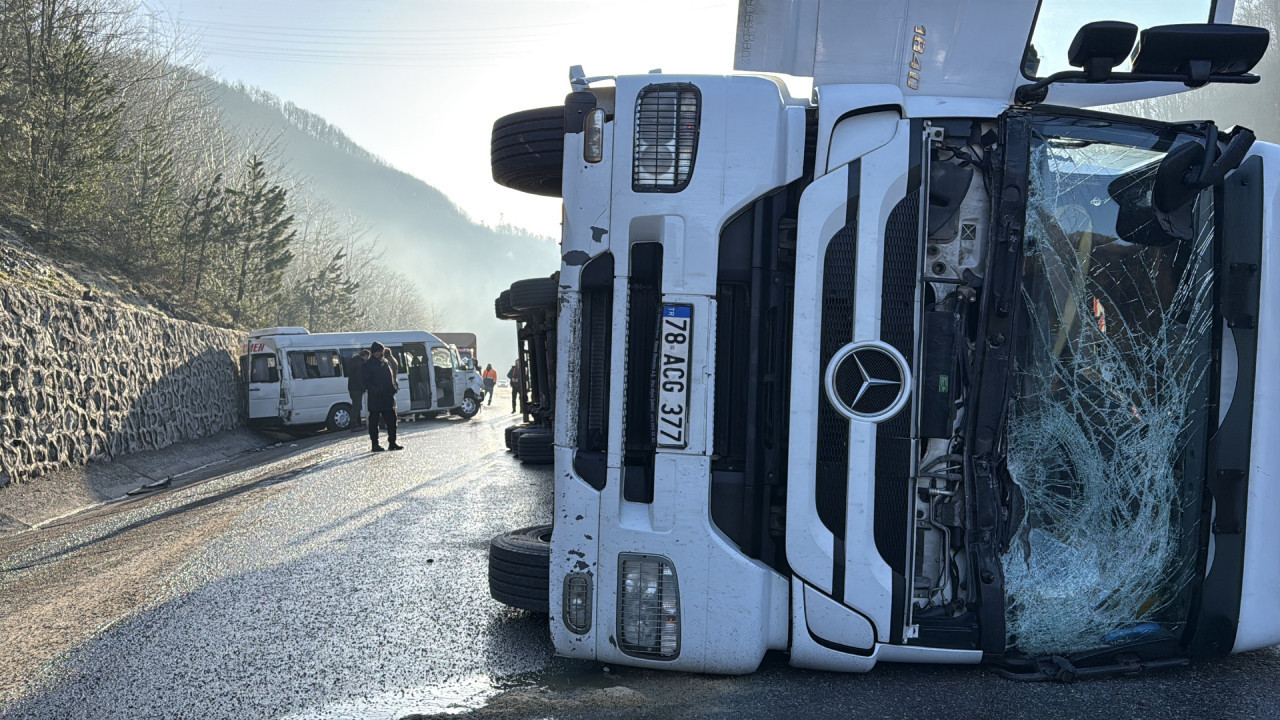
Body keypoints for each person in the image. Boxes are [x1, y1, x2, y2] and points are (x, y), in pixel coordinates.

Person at [361, 342, 402, 452]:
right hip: (376, 398)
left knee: (392, 421)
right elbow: (366, 382)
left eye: (382, 351)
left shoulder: (386, 362)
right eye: (380, 351)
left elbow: (391, 376)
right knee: (374, 423)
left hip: (388, 397)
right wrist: (376, 390)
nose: (382, 353)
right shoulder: (367, 365)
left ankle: (392, 442)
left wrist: (393, 387)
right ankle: (375, 444)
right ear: (374, 352)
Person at [347, 348, 370, 431]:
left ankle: (358, 423)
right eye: (368, 357)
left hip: (352, 387)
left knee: (356, 405)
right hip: (357, 388)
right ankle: (354, 424)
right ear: (365, 355)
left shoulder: (353, 361)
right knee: (357, 406)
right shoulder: (360, 364)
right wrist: (364, 387)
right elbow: (359, 377)